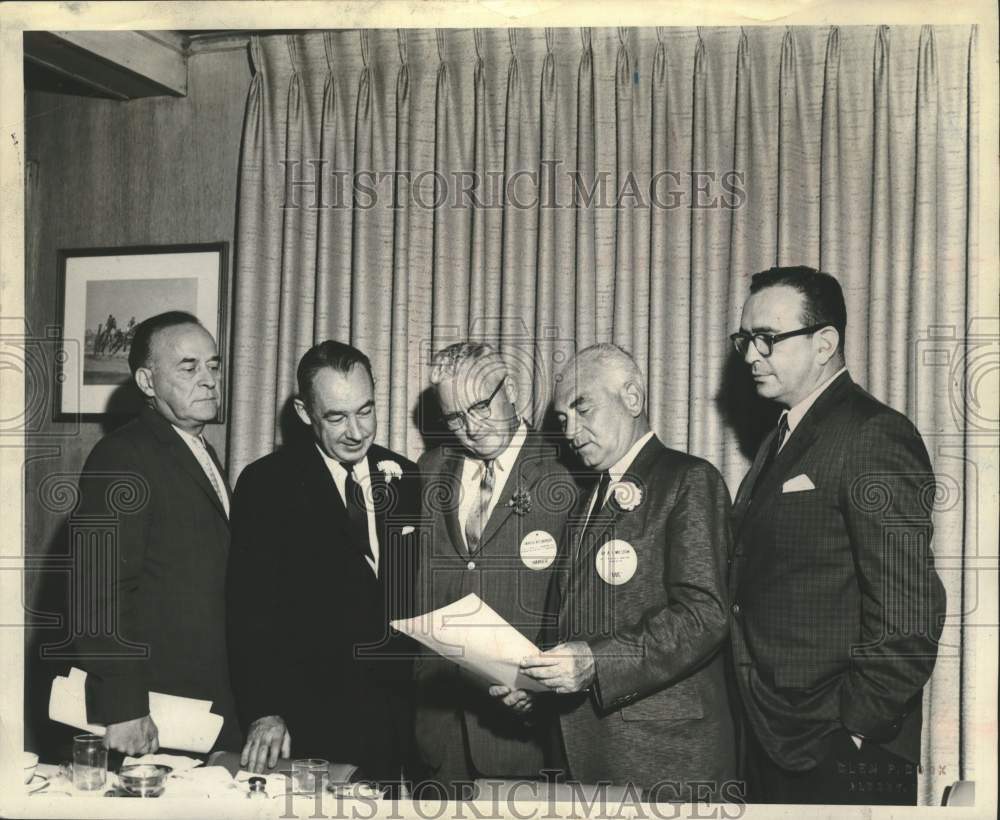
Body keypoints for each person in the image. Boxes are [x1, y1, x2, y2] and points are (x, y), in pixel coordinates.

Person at [727, 266, 946, 805]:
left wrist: (856, 726)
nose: (751, 355)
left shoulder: (872, 435)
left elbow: (910, 610)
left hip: (836, 748)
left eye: (767, 340)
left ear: (825, 343)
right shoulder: (781, 437)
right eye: (745, 340)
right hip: (774, 734)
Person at [496, 343, 736, 800]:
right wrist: (539, 683)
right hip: (587, 753)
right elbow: (581, 621)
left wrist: (595, 662)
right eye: (563, 419)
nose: (570, 430)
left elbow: (705, 615)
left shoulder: (688, 479)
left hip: (663, 758)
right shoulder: (587, 496)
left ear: (632, 398)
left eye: (582, 408)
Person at [227, 341, 422, 785]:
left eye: (366, 410)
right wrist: (264, 711)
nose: (356, 431)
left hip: (401, 722)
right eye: (336, 417)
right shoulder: (265, 485)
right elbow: (248, 612)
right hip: (313, 718)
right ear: (303, 411)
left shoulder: (408, 476)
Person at [73, 311, 240, 756]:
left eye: (214, 365)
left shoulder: (197, 448)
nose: (208, 380)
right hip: (151, 708)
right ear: (147, 382)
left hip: (199, 702)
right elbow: (97, 591)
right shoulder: (122, 456)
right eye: (189, 367)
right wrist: (125, 706)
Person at [413, 342, 576, 795]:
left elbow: (579, 602)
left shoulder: (566, 470)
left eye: (481, 405)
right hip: (439, 737)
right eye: (455, 417)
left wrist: (541, 689)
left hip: (525, 738)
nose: (472, 427)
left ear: (512, 389)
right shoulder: (429, 471)